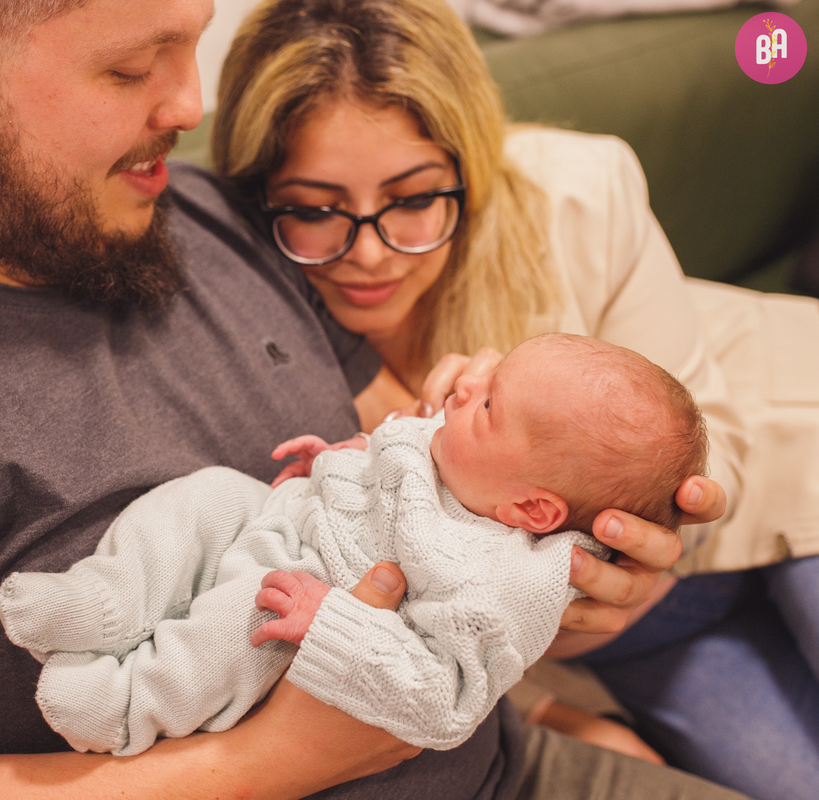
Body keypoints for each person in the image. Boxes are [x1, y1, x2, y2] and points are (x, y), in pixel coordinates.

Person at [0, 0, 734, 798]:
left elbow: (429, 496)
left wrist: (583, 591)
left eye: (192, 44)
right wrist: (270, 761)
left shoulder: (201, 219)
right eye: (133, 66)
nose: (192, 103)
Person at [209, 1, 819, 798]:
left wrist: (668, 515)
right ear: (260, 196)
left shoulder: (580, 193)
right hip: (629, 643)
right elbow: (414, 617)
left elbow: (711, 436)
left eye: (414, 199)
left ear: (470, 166)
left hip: (790, 472)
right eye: (316, 210)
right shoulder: (244, 337)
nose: (367, 253)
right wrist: (555, 713)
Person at [0, 333, 705, 757]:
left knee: (248, 617)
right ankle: (109, 600)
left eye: (490, 405)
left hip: (310, 605)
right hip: (284, 518)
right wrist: (338, 458)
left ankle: (124, 705)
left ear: (534, 509)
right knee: (207, 492)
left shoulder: (505, 582)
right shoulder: (472, 460)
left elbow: (445, 699)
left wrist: (332, 622)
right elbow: (395, 464)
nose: (467, 385)